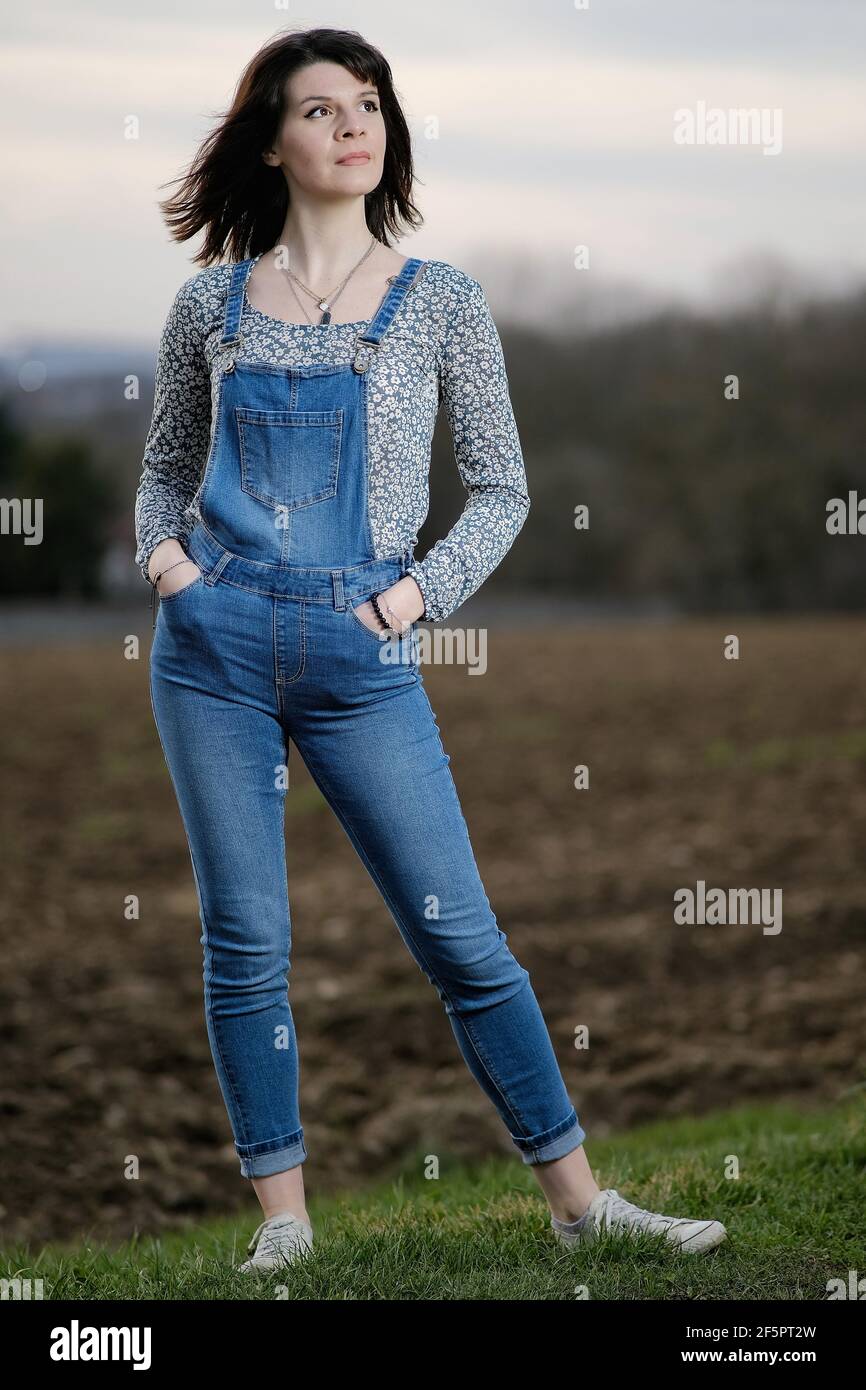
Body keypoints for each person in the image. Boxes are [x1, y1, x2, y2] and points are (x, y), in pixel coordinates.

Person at [135, 26, 727, 1273]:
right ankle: (282, 1229)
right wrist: (172, 573)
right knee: (247, 943)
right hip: (213, 647)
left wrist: (413, 601)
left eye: (370, 104)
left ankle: (581, 1206)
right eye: (322, 108)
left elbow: (503, 490)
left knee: (462, 937)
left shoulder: (443, 300)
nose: (355, 124)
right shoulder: (208, 302)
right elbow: (162, 476)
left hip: (365, 652)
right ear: (271, 140)